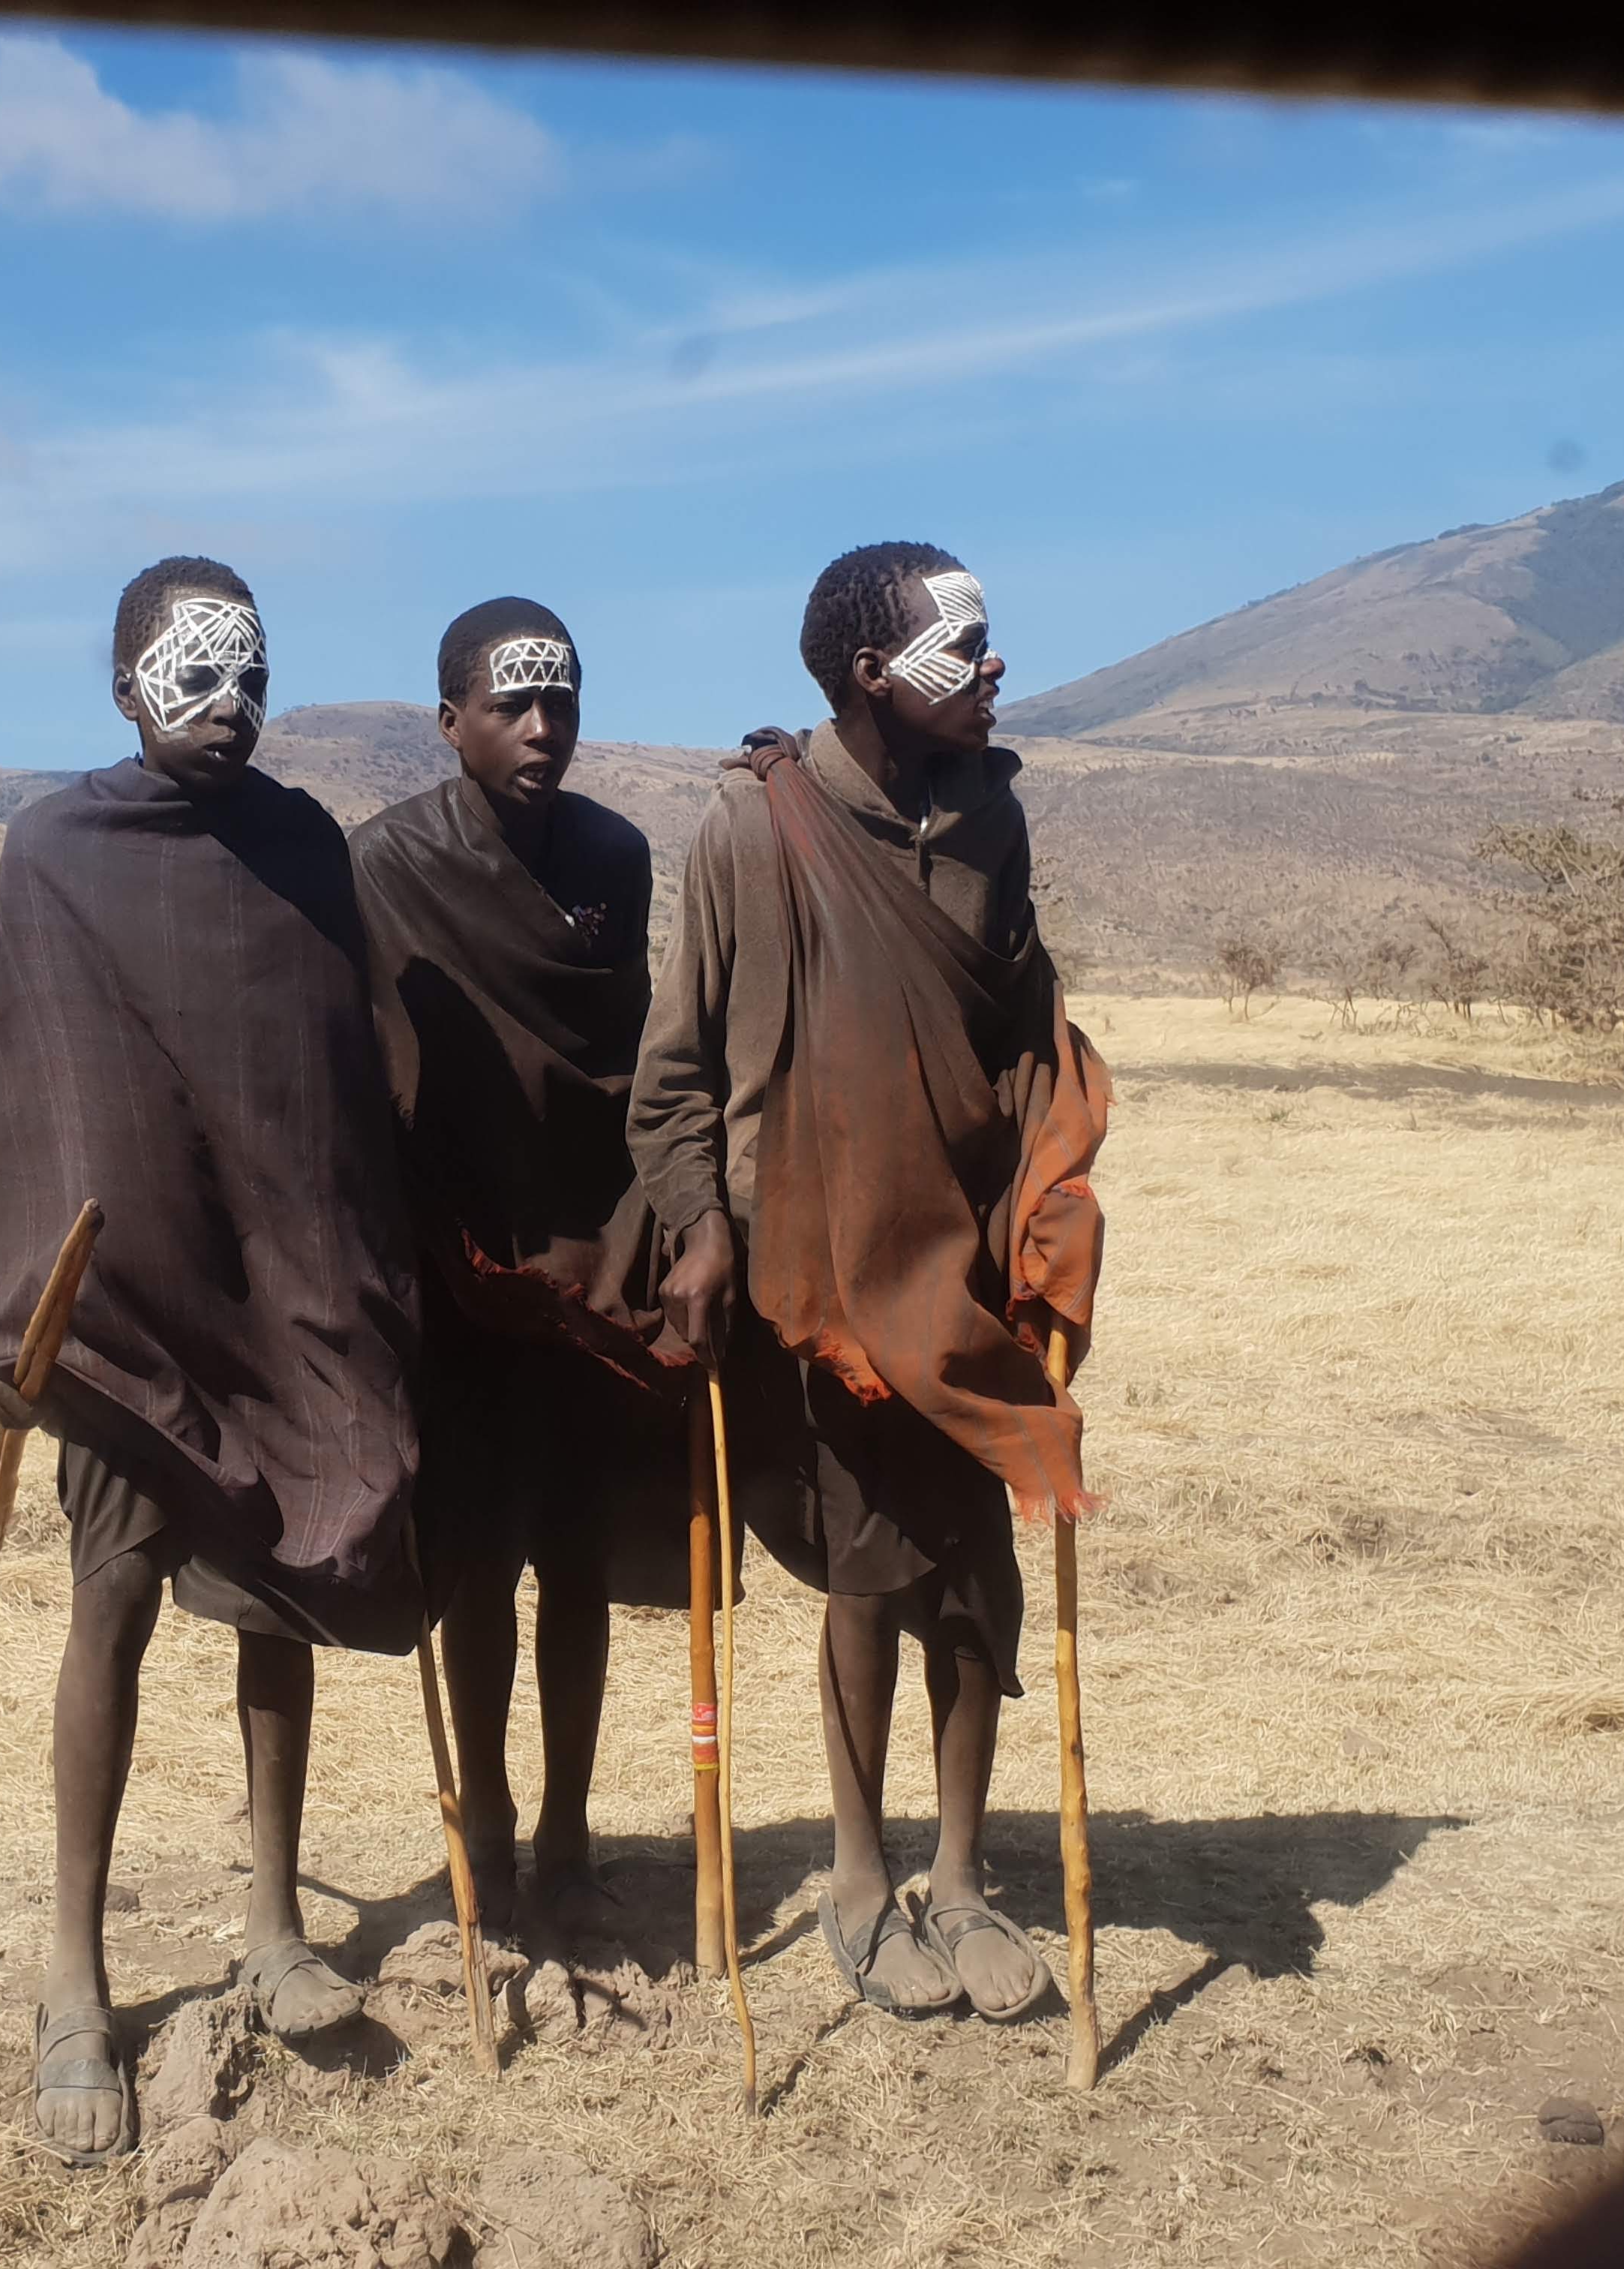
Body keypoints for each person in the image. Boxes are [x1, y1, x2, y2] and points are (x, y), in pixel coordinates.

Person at [0, 557, 422, 2165]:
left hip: (285, 1290)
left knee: (283, 1587)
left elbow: (333, 1075)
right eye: (193, 675)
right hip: (131, 1307)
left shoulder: (302, 847)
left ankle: (276, 1920)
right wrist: (30, 1311)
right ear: (121, 686)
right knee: (116, 1605)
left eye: (252, 674)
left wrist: (360, 1270)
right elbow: (29, 1086)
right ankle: (74, 1978)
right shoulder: (58, 853)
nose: (229, 706)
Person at [629, 541, 1108, 2024]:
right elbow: (674, 1078)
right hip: (823, 1281)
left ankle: (959, 1881)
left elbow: (1028, 1039)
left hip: (968, 1276)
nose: (994, 671)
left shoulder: (991, 821)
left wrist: (1049, 1202)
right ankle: (856, 1880)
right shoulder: (752, 831)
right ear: (865, 677)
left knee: (976, 1575)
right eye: (961, 653)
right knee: (864, 1574)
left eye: (988, 646)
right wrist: (703, 1226)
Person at [347, 597, 695, 1946]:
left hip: (601, 1269)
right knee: (480, 1566)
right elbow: (376, 1068)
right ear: (452, 725)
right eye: (512, 704)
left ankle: (568, 1835)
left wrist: (671, 1224)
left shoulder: (615, 852)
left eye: (563, 700)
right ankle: (484, 1829)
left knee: (581, 1562)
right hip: (466, 1274)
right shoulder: (382, 866)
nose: (545, 727)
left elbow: (633, 1053)